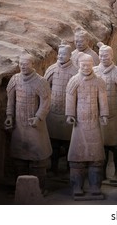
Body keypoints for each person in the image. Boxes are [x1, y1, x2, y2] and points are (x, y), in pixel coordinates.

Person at [5, 53, 52, 193]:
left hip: (35, 126)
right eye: (21, 64)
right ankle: (21, 189)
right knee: (19, 159)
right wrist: (9, 116)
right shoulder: (15, 79)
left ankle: (39, 189)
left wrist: (38, 117)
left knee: (38, 160)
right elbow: (10, 100)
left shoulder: (40, 82)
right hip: (19, 125)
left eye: (26, 64)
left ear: (33, 64)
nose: (23, 66)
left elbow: (46, 102)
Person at [66, 53, 109, 197]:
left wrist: (103, 115)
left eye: (88, 65)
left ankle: (95, 187)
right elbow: (70, 98)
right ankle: (77, 187)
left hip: (94, 123)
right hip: (79, 124)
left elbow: (103, 100)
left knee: (96, 159)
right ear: (79, 65)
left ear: (93, 65)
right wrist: (70, 115)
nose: (85, 67)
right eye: (83, 65)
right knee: (77, 159)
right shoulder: (74, 81)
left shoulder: (99, 82)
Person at [93, 44, 117, 185]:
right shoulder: (94, 71)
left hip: (114, 115)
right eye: (101, 55)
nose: (103, 58)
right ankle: (101, 174)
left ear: (112, 56)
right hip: (98, 116)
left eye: (106, 55)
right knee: (101, 146)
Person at [44, 44, 78, 175]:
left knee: (70, 144)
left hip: (68, 113)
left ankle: (70, 170)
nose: (60, 56)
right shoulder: (51, 69)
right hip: (53, 112)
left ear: (70, 55)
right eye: (59, 54)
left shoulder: (75, 71)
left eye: (63, 54)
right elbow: (44, 88)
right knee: (54, 143)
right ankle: (54, 168)